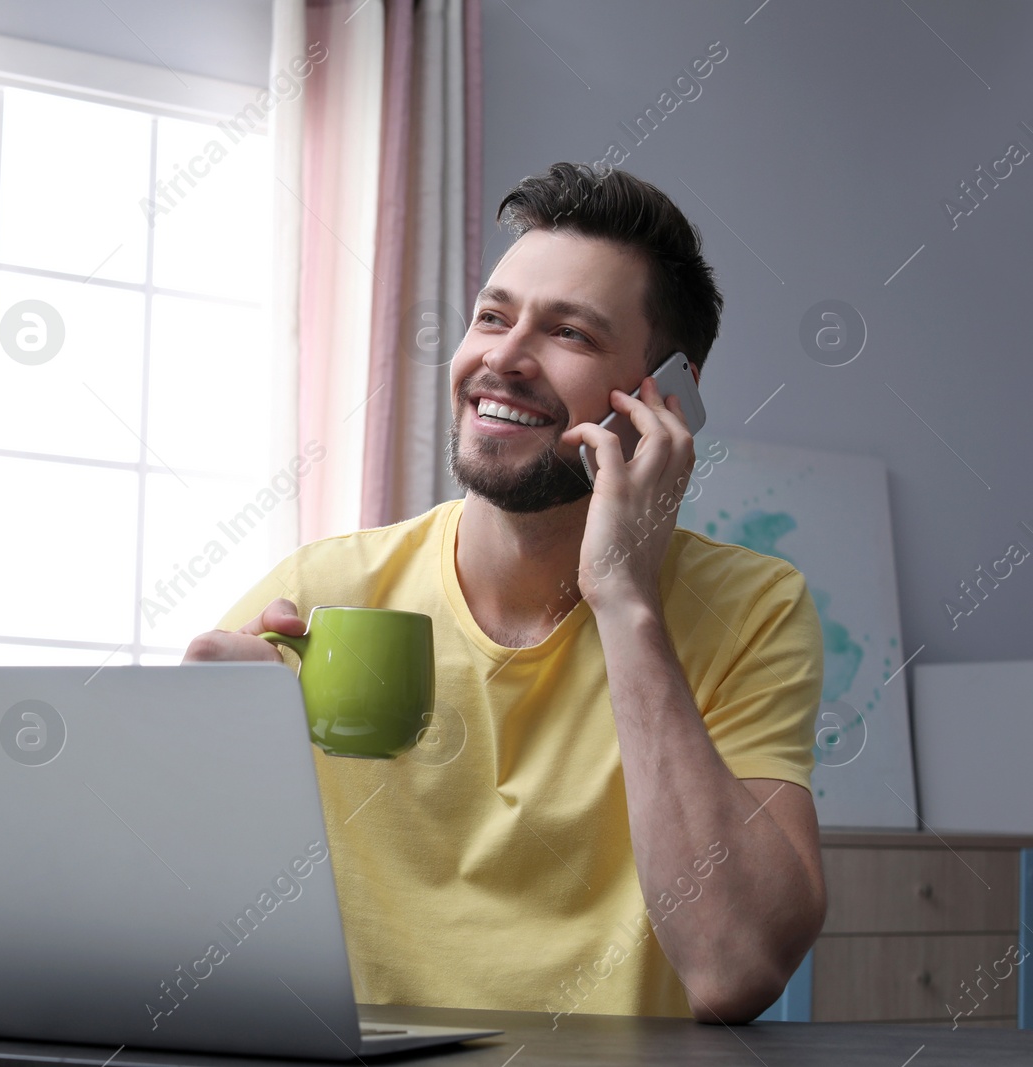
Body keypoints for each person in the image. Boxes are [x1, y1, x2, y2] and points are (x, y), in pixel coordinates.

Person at [183, 162, 825, 1025]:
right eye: (492, 316)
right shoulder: (324, 591)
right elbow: (154, 901)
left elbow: (734, 965)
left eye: (570, 333)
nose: (504, 358)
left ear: (663, 397)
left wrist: (624, 597)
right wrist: (201, 743)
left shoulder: (754, 609)